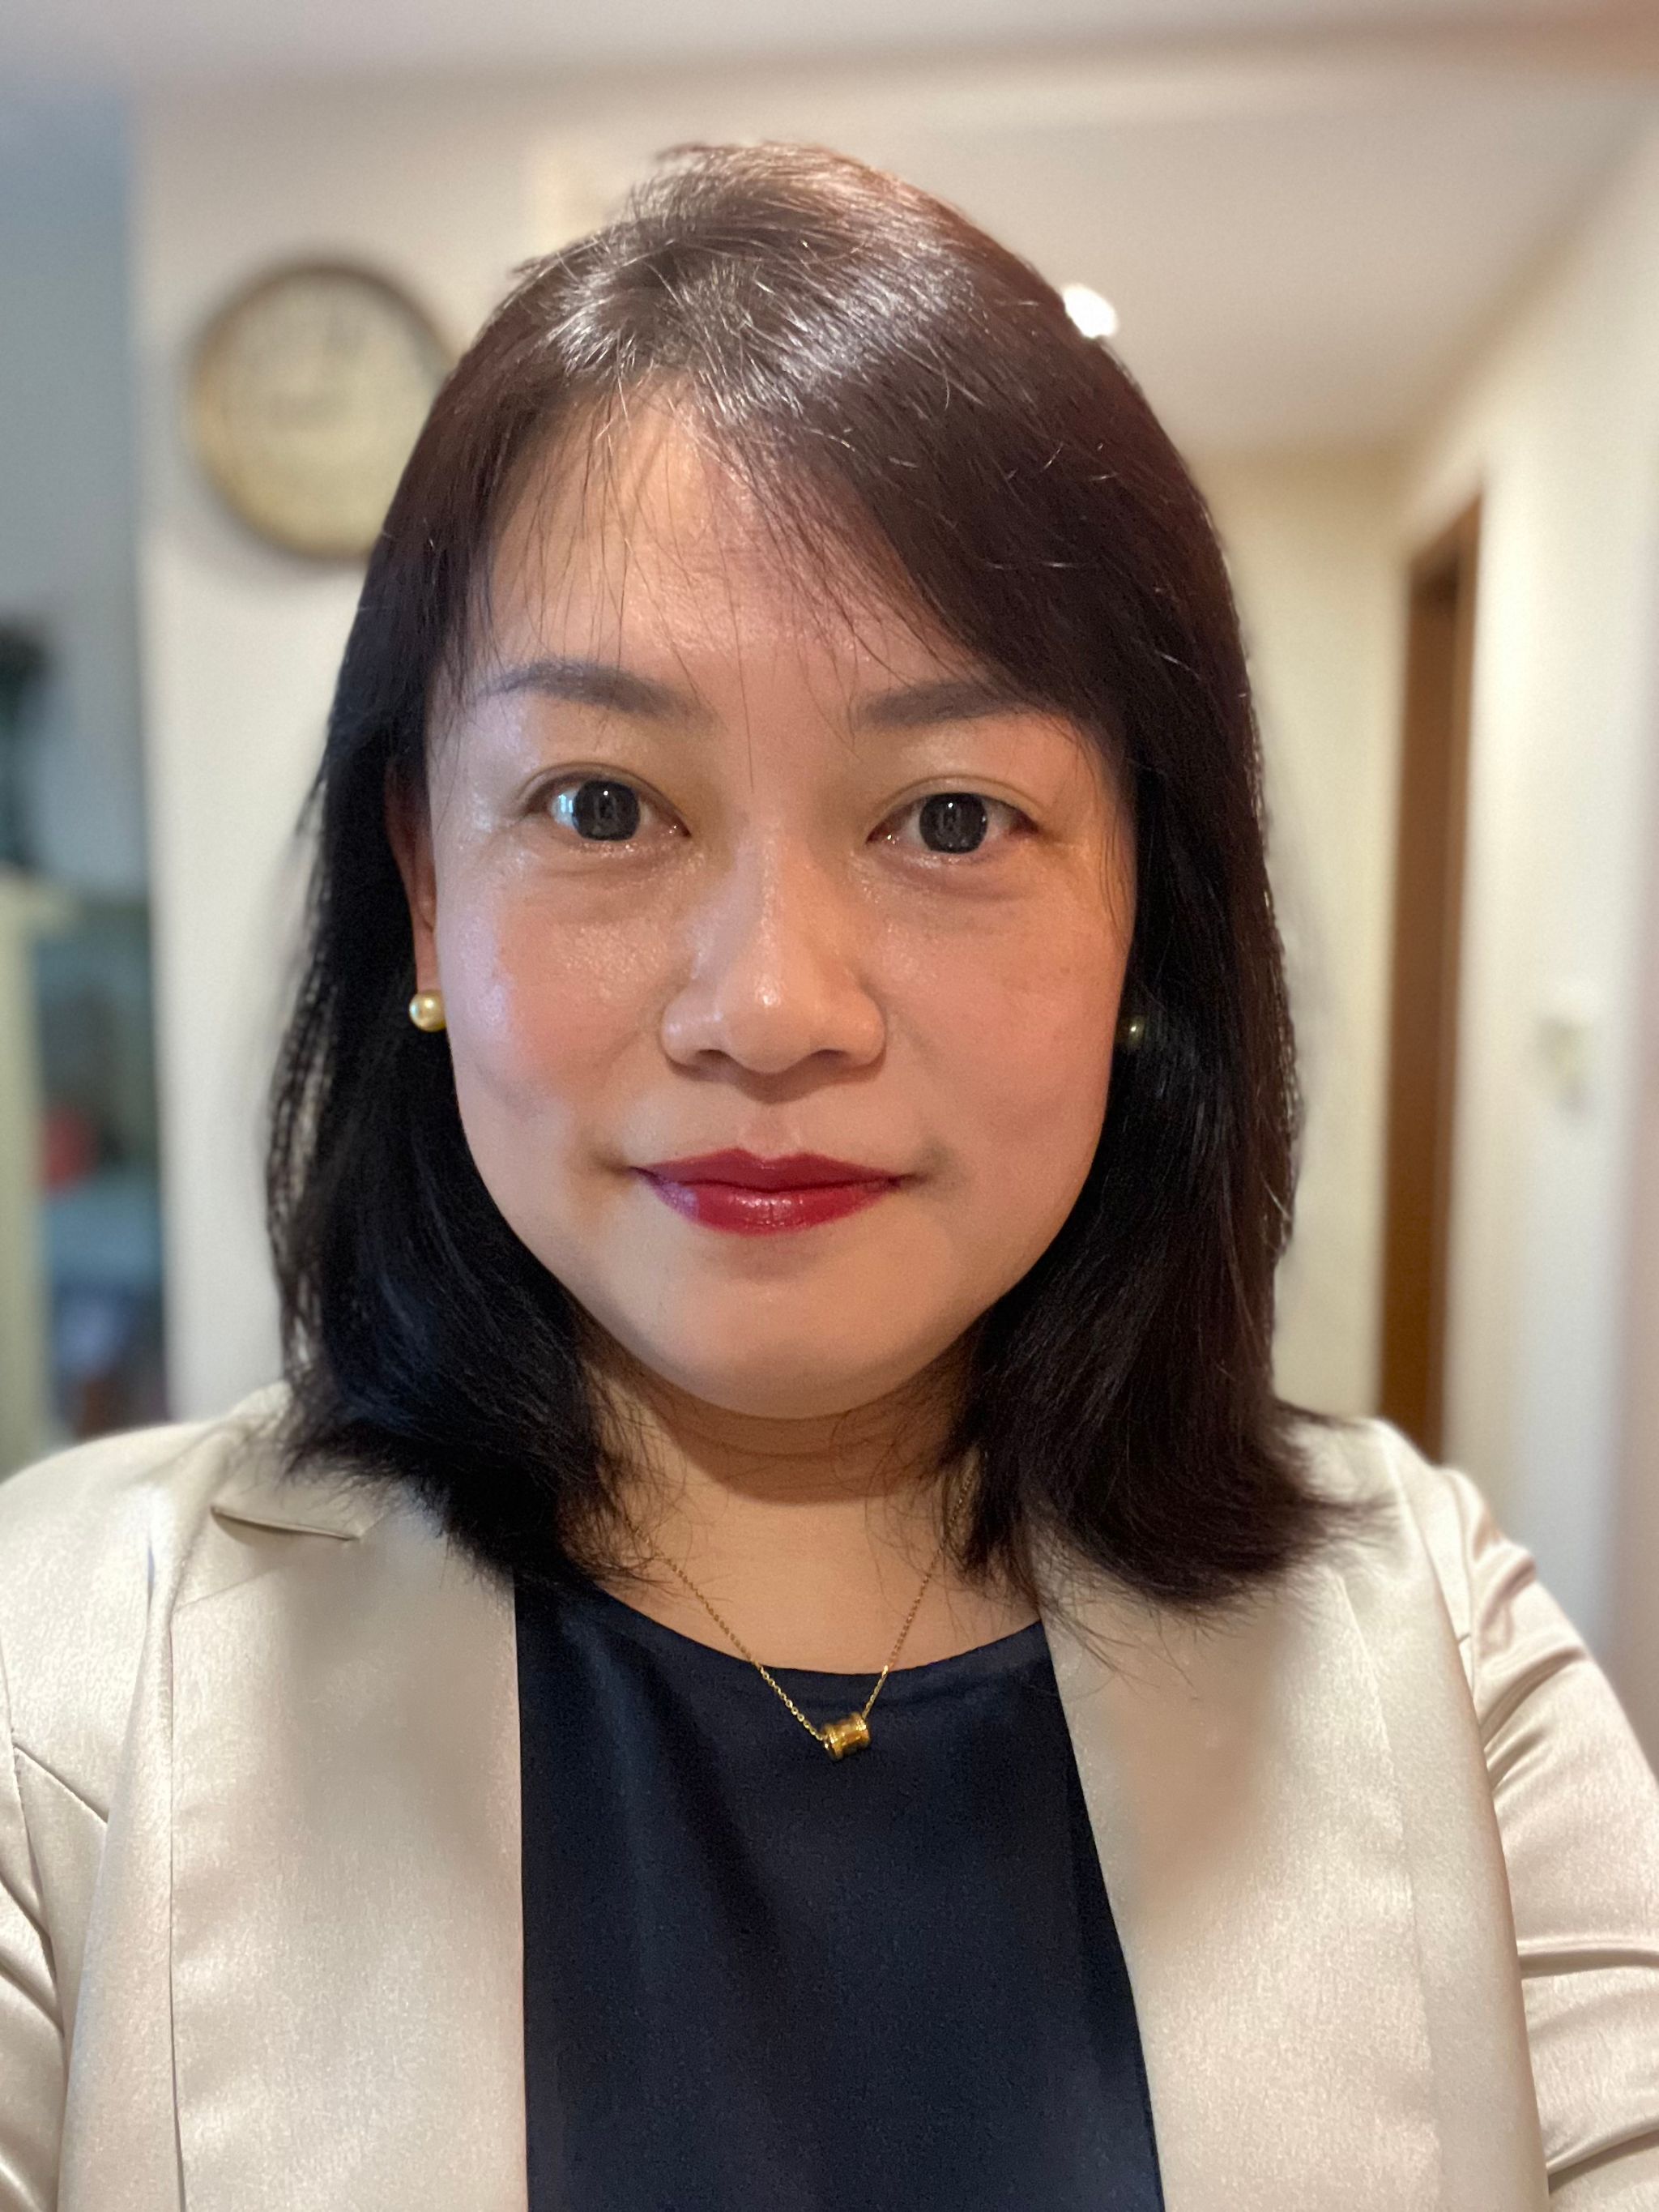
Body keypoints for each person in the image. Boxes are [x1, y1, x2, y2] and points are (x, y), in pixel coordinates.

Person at [2, 140, 1657, 2212]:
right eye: (601, 805)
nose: (772, 1009)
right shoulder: (61, 1680)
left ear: (1147, 913)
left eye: (951, 819)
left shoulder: (1446, 1651)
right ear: (425, 888)